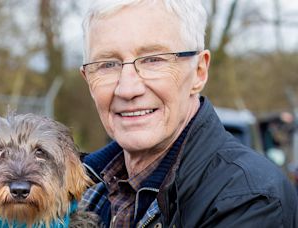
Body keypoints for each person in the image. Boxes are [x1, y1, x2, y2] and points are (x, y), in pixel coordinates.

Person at [79, 0, 298, 227]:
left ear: (199, 72)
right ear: (87, 79)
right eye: (107, 64)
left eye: (153, 59)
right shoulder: (74, 191)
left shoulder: (250, 200)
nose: (127, 88)